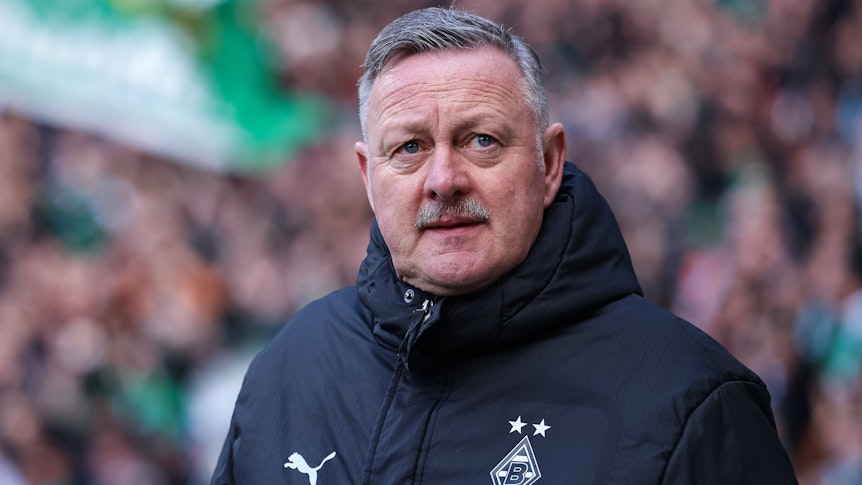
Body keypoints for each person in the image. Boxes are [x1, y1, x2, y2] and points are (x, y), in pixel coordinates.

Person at [211, 7, 798, 484]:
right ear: (368, 177)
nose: (444, 179)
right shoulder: (289, 373)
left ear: (549, 164)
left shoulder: (691, 401)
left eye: (481, 140)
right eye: (410, 148)